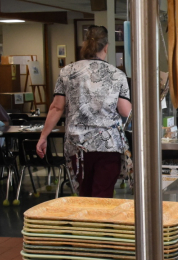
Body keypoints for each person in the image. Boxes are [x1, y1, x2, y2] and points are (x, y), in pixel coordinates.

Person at [37, 26, 132, 198]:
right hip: (109, 146)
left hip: (78, 146)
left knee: (85, 194)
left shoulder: (67, 72)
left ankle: (87, 223)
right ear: (106, 47)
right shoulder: (117, 75)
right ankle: (100, 224)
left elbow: (56, 107)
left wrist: (43, 137)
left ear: (85, 45)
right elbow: (125, 111)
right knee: (102, 194)